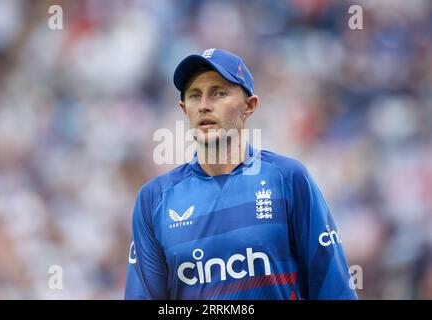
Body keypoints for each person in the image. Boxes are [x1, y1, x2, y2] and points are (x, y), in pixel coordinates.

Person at [124, 48, 358, 300]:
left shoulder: (288, 179)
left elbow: (334, 289)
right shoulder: (154, 199)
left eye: (219, 93)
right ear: (184, 109)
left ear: (249, 106)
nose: (204, 106)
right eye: (194, 95)